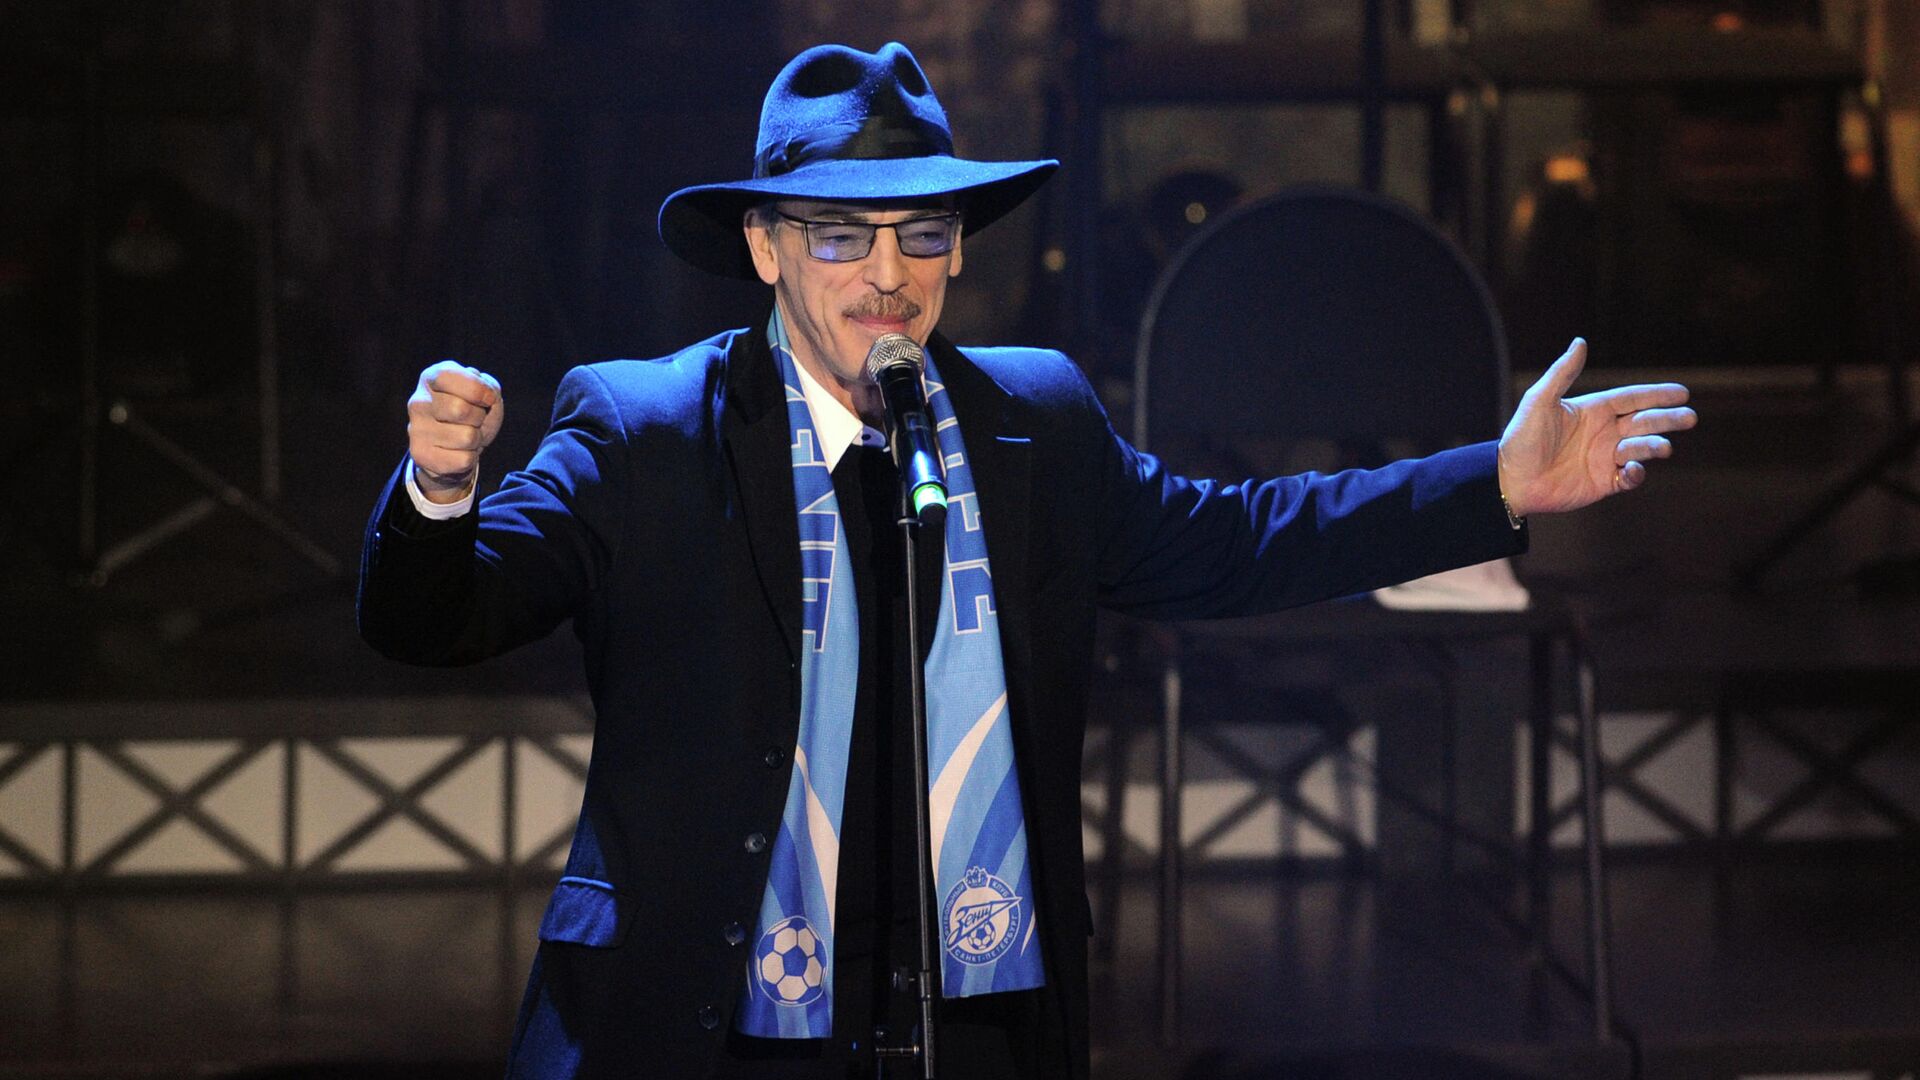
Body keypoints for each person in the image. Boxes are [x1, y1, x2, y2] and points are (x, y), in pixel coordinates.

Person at [357, 41, 1695, 1080]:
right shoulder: (645, 427)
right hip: (706, 1026)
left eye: (923, 233)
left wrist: (1493, 485)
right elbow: (440, 617)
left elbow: (1235, 543)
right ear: (764, 247)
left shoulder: (1029, 421)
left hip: (977, 1014)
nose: (889, 275)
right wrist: (442, 490)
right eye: (842, 234)